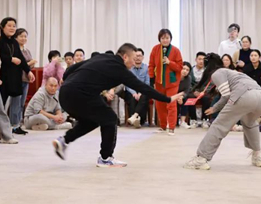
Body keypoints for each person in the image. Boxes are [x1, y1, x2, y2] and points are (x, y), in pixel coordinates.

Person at [51, 43, 184, 167]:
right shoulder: (120, 70)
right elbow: (143, 87)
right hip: (80, 94)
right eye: (133, 59)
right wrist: (167, 99)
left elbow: (74, 67)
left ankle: (64, 140)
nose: (134, 63)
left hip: (65, 94)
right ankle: (105, 158)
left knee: (94, 120)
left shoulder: (103, 56)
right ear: (125, 57)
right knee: (110, 118)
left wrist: (65, 78)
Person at [183, 53, 261, 170]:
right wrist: (215, 108)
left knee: (218, 125)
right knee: (250, 123)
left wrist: (216, 108)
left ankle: (201, 159)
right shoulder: (233, 72)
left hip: (243, 96)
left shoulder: (217, 73)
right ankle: (257, 156)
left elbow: (226, 95)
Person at [0, 17, 35, 136]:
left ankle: (14, 126)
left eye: (14, 26)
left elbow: (21, 58)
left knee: (17, 102)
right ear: (3, 27)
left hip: (15, 77)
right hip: (3, 77)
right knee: (1, 104)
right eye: (9, 25)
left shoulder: (14, 42)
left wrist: (28, 71)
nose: (12, 28)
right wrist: (10, 59)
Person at [148, 29, 183, 135]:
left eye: (167, 38)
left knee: (171, 104)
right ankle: (163, 126)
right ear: (159, 39)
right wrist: (152, 78)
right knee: (160, 105)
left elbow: (179, 67)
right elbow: (151, 65)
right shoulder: (155, 49)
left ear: (170, 39)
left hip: (172, 82)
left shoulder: (176, 50)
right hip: (159, 82)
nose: (165, 40)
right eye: (162, 38)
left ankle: (171, 127)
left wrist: (169, 62)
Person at [15, 28, 38, 125]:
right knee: (16, 102)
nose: (24, 38)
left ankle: (20, 120)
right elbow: (19, 65)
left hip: (26, 79)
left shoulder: (27, 50)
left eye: (25, 36)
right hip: (17, 78)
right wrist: (29, 63)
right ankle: (15, 121)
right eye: (21, 36)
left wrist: (32, 64)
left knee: (22, 102)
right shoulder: (15, 50)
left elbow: (28, 67)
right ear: (16, 38)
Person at [123, 48, 150, 128]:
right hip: (131, 90)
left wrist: (140, 92)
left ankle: (135, 117)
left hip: (143, 90)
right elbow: (127, 83)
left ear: (143, 57)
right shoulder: (129, 68)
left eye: (140, 56)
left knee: (144, 96)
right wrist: (134, 93)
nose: (138, 58)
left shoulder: (146, 68)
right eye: (136, 56)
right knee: (132, 98)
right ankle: (136, 119)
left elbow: (147, 83)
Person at [178, 62, 197, 129]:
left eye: (187, 70)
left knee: (186, 100)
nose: (185, 71)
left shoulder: (189, 78)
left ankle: (182, 122)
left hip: (182, 95)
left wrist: (182, 97)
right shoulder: (174, 76)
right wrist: (178, 97)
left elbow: (187, 90)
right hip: (173, 94)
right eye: (183, 69)